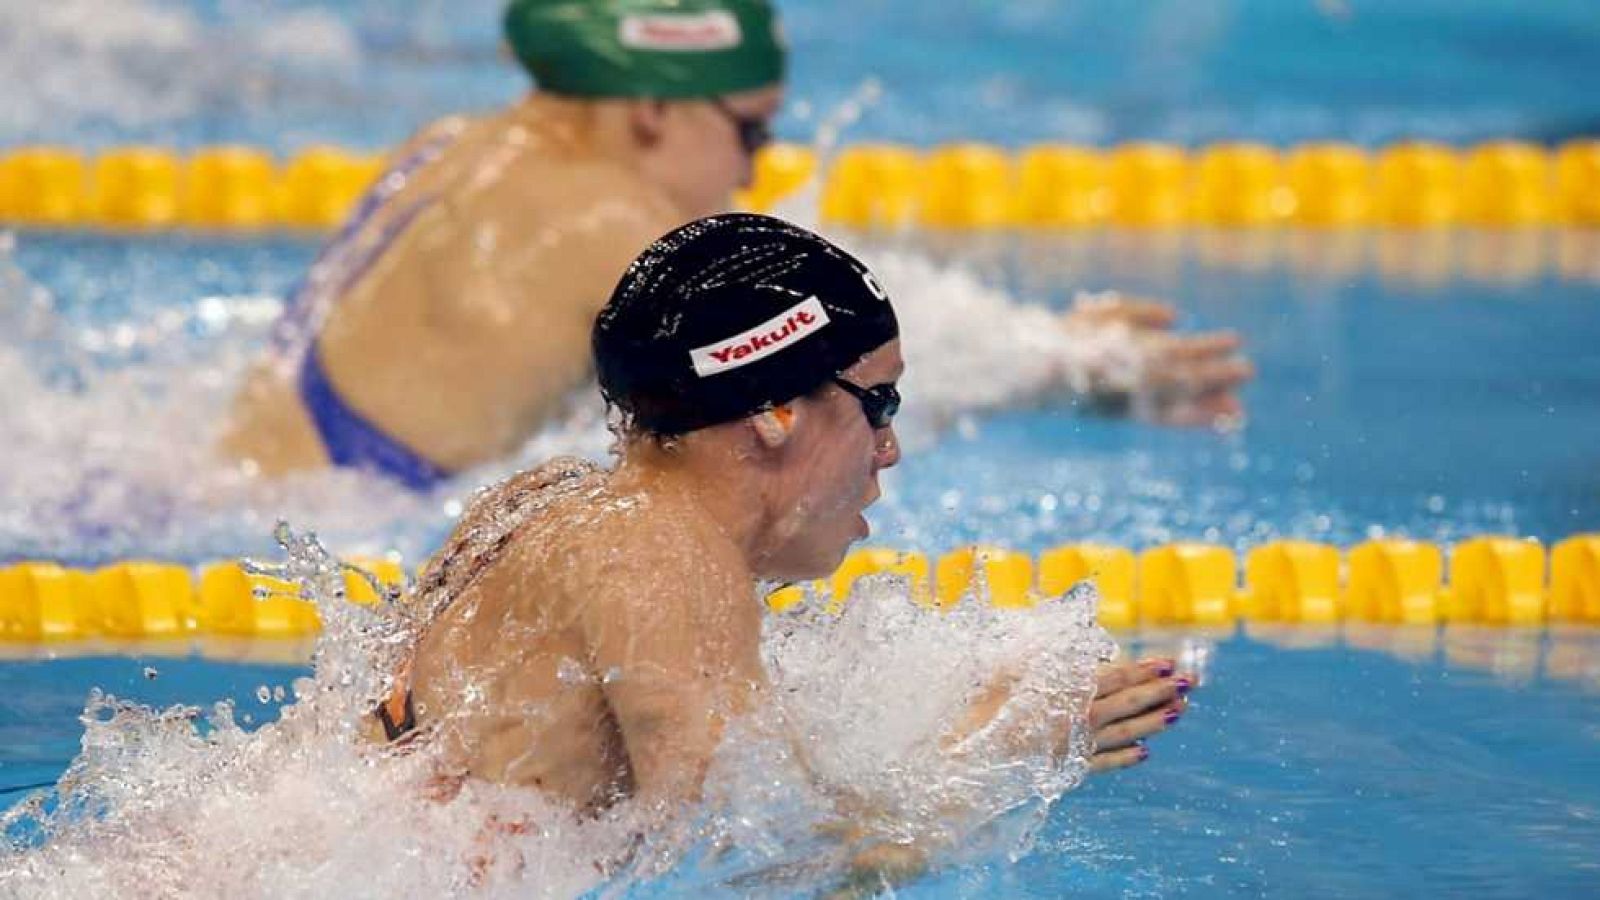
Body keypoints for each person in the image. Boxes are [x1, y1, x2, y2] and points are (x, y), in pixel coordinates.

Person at [370, 215, 1193, 885]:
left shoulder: (544, 504)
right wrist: (999, 746)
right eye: (879, 400)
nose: (890, 446)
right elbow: (758, 873)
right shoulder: (665, 560)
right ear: (772, 409)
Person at [220, 0, 1251, 490]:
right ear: (656, 112)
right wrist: (1079, 361)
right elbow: (830, 353)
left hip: (224, 475)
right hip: (331, 523)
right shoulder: (601, 220)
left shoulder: (459, 147)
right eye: (749, 131)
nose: (754, 173)